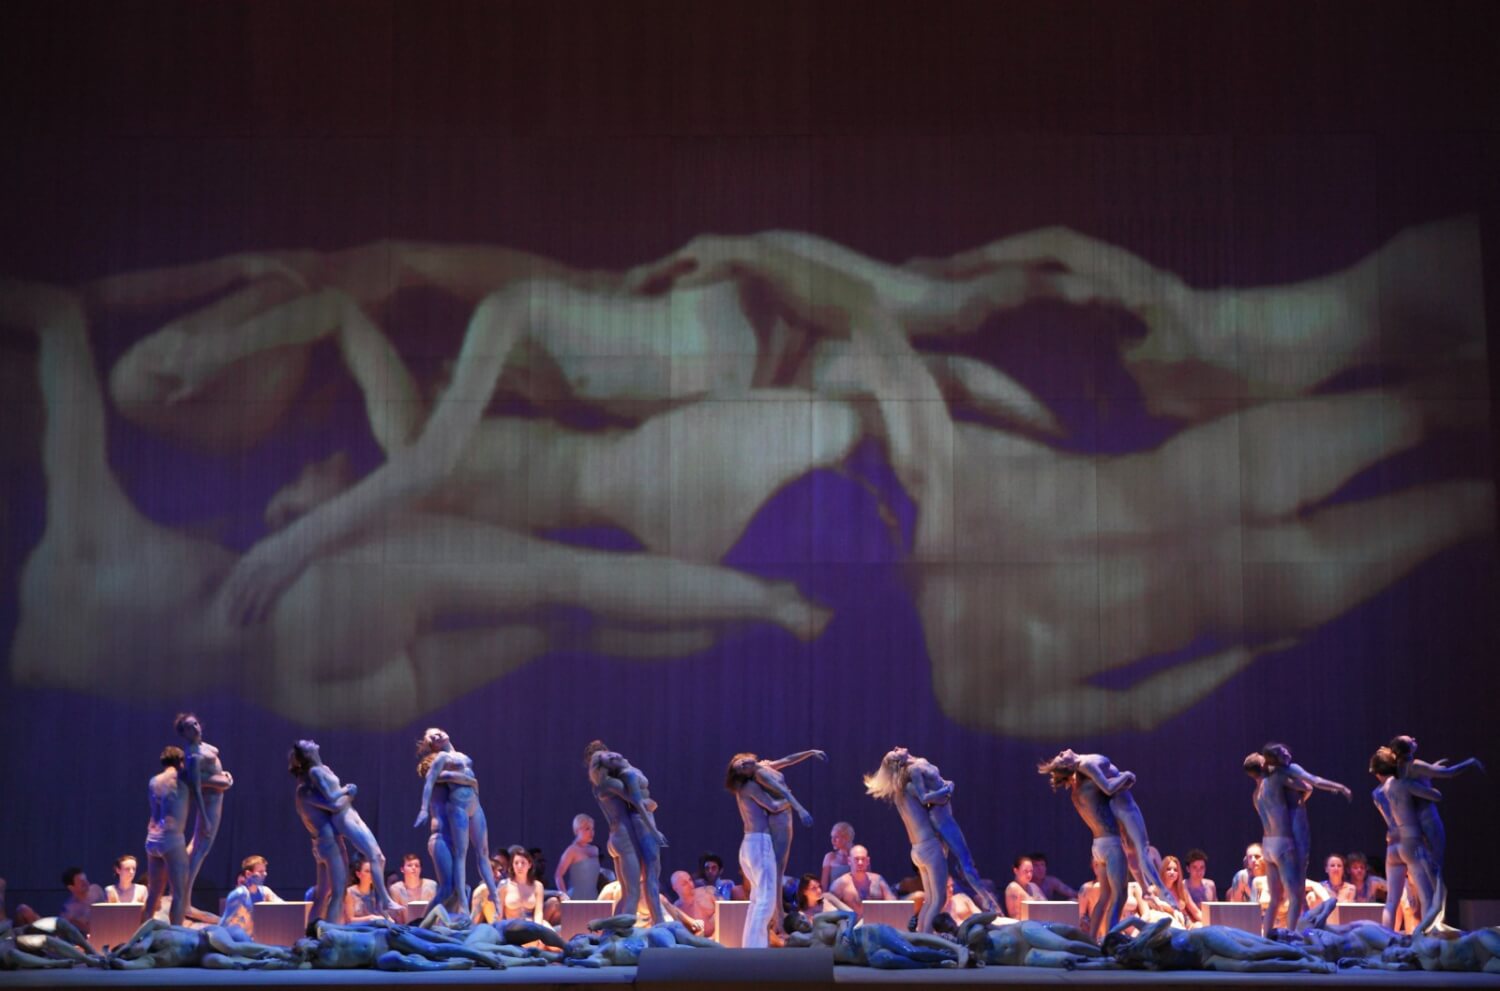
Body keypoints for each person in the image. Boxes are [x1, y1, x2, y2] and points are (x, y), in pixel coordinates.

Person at [290, 739, 400, 913]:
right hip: (342, 817)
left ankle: (382, 901)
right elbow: (332, 797)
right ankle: (384, 901)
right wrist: (348, 790)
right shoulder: (315, 772)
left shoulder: (323, 768)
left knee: (379, 857)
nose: (312, 741)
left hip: (350, 812)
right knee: (371, 858)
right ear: (308, 753)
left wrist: (347, 792)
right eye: (307, 743)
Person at [1036, 750, 1134, 942]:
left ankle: (1092, 939)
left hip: (1097, 846)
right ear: (1072, 768)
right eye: (1062, 755)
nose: (1065, 751)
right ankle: (1111, 940)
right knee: (1120, 894)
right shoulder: (1089, 784)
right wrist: (1126, 776)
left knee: (1104, 896)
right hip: (1111, 843)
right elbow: (1109, 788)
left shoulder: (1076, 793)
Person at [414, 728, 502, 922]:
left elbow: (466, 780)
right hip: (441, 838)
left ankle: (443, 924)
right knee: (448, 888)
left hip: (462, 822)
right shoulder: (441, 769)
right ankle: (420, 926)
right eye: (433, 738)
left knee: (457, 888)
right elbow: (430, 781)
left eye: (438, 733)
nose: (438, 737)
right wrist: (422, 810)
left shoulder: (457, 762)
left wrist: (472, 783)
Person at [586, 743, 666, 926]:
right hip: (625, 838)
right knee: (633, 894)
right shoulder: (614, 783)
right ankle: (614, 932)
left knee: (625, 892)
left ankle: (610, 935)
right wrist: (651, 813)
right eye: (609, 759)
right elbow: (638, 802)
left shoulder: (598, 787)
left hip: (613, 838)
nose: (614, 757)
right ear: (605, 768)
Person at [726, 753, 788, 947]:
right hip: (759, 844)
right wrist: (789, 797)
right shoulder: (750, 786)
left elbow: (784, 761)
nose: (745, 763)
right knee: (766, 901)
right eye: (740, 764)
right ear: (740, 773)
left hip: (750, 844)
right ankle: (755, 951)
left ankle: (750, 947)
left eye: (745, 760)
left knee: (757, 900)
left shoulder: (743, 788)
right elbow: (773, 806)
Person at [175, 713, 233, 919]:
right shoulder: (192, 754)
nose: (196, 728)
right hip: (209, 802)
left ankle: (182, 896)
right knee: (201, 849)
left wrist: (223, 777)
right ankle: (184, 900)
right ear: (184, 732)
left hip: (216, 799)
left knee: (197, 848)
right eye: (190, 727)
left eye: (196, 724)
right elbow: (196, 786)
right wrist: (220, 781)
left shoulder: (203, 748)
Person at [140, 745, 191, 927]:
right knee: (179, 893)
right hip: (171, 838)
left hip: (152, 839)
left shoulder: (154, 781)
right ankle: (175, 936)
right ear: (180, 762)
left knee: (154, 893)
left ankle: (140, 937)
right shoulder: (182, 778)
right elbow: (211, 783)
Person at [219, 856, 282, 936]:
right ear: (248, 874)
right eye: (260, 871)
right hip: (238, 939)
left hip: (257, 938)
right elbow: (225, 921)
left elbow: (284, 907)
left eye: (265, 871)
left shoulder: (265, 892)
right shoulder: (239, 894)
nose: (265, 874)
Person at [828, 845, 895, 918]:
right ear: (849, 861)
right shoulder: (841, 883)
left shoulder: (878, 880)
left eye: (863, 859)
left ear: (868, 861)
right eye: (856, 859)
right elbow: (828, 906)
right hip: (854, 927)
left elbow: (893, 905)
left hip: (877, 925)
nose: (860, 863)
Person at [554, 816, 600, 900]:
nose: (591, 832)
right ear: (577, 830)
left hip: (594, 897)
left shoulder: (594, 850)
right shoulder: (572, 850)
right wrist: (565, 896)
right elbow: (558, 875)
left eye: (592, 829)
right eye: (587, 829)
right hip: (576, 898)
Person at [501, 847, 545, 924]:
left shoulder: (538, 886)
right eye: (516, 863)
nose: (519, 866)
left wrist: (538, 931)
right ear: (512, 865)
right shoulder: (504, 885)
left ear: (529, 865)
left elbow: (538, 913)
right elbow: (499, 913)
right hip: (511, 927)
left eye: (523, 863)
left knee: (552, 932)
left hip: (531, 926)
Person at [670, 871, 716, 939]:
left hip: (721, 936)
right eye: (684, 883)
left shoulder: (707, 893)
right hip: (698, 944)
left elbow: (726, 912)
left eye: (690, 880)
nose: (690, 884)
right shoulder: (676, 909)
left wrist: (715, 936)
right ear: (675, 888)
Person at [59, 869, 104, 936]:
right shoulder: (69, 909)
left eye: (85, 880)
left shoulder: (96, 890)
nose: (86, 883)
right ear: (71, 887)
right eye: (81, 882)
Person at [344, 858, 390, 924]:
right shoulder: (350, 892)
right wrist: (371, 918)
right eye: (367, 871)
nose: (371, 874)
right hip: (356, 930)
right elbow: (350, 920)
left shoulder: (377, 892)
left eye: (373, 871)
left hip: (375, 929)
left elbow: (385, 915)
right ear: (358, 874)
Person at [821, 823, 855, 890]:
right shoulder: (830, 857)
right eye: (832, 837)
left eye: (836, 837)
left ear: (847, 838)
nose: (832, 841)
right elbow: (823, 887)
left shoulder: (860, 855)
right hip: (834, 898)